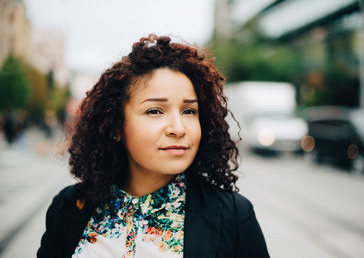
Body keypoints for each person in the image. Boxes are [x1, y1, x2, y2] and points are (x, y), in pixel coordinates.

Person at [37, 34, 270, 258]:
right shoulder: (70, 207)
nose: (178, 128)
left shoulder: (234, 217)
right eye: (155, 111)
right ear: (116, 125)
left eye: (189, 111)